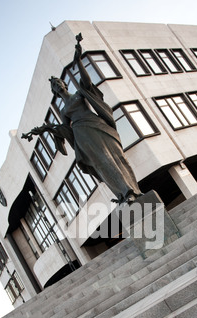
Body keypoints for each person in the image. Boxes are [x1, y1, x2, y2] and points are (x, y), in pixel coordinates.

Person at [22, 34, 143, 204]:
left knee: (116, 156)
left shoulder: (79, 93)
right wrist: (47, 128)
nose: (57, 85)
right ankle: (124, 194)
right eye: (54, 85)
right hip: (82, 136)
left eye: (58, 82)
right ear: (55, 92)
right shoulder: (64, 111)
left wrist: (78, 61)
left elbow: (87, 81)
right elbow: (65, 130)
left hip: (97, 126)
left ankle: (134, 190)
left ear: (64, 84)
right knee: (102, 163)